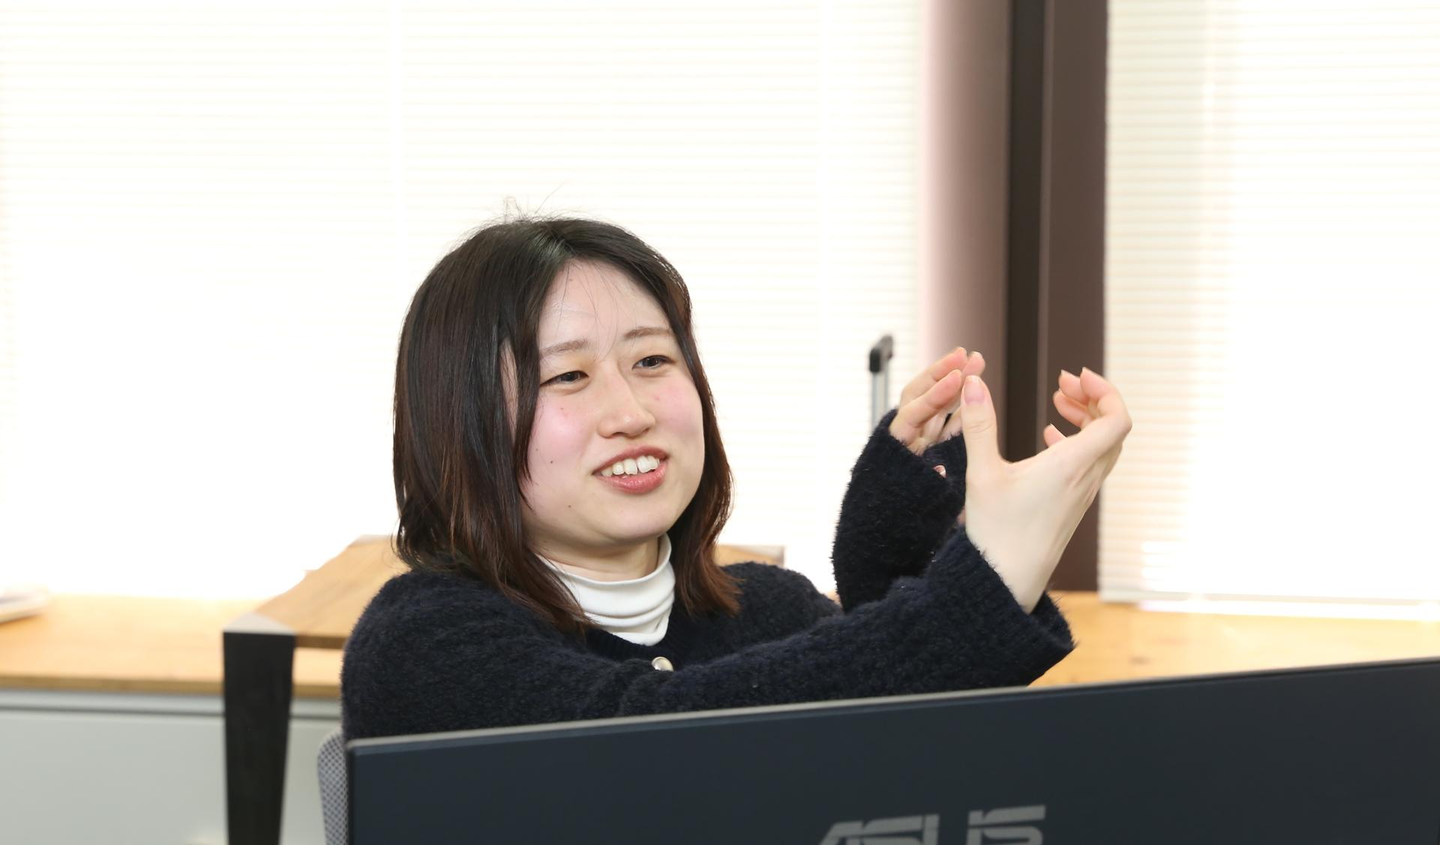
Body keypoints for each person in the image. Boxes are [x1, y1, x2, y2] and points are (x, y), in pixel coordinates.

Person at [340, 216, 1132, 740]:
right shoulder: (420, 643)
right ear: (462, 424)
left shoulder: (768, 609)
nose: (631, 411)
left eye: (654, 360)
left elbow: (922, 754)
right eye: (569, 376)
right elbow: (644, 749)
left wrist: (895, 547)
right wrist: (985, 583)